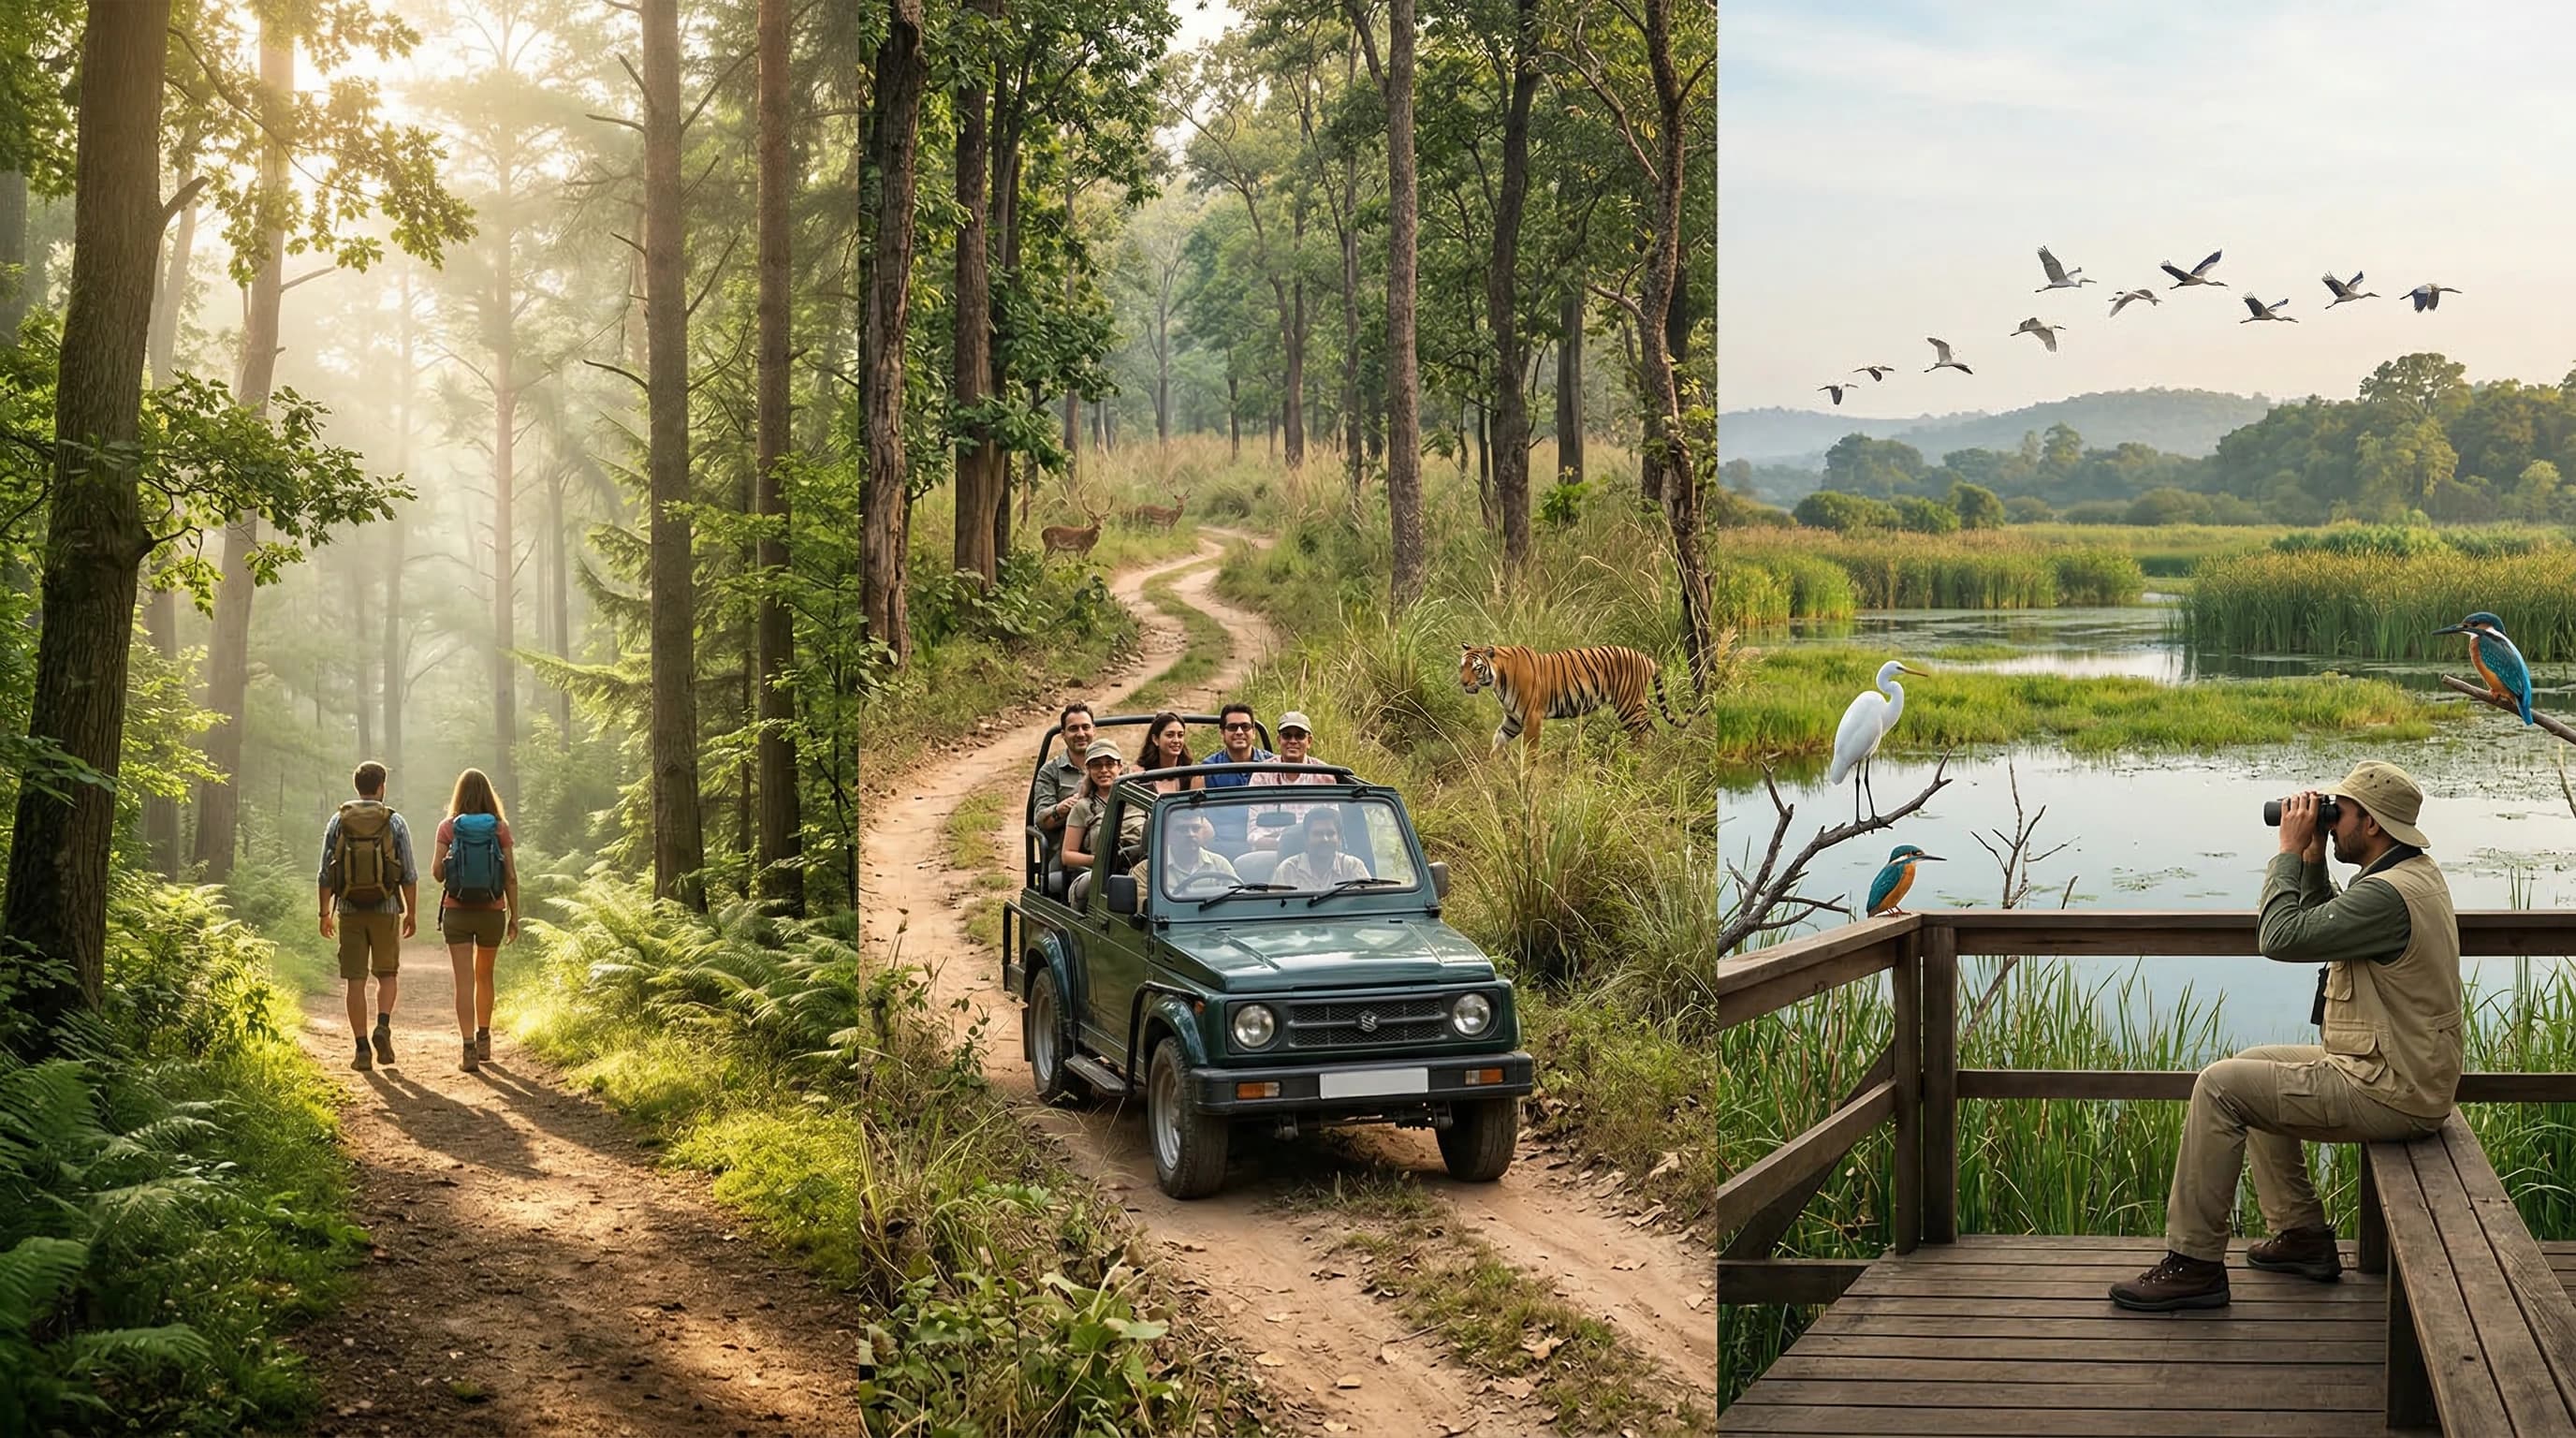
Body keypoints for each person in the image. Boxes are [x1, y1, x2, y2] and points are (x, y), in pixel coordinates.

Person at [2111, 762, 2457, 1313]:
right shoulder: (2408, 876)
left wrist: (2287, 853)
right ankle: (2301, 1235)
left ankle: (2194, 1264)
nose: (2328, 820)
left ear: (2370, 824)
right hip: (2399, 1072)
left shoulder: (2387, 895)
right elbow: (2326, 925)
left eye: (2337, 813)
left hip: (2389, 1088)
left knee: (2221, 1086)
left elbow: (2280, 936)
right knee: (2254, 1063)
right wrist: (2316, 859)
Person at [316, 761, 419, 1072]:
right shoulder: (395, 822)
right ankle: (382, 1027)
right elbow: (410, 873)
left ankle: (362, 1049)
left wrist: (325, 914)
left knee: (355, 981)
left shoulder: (339, 820)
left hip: (348, 910)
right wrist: (411, 912)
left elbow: (324, 874)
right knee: (387, 975)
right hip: (386, 908)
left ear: (357, 787)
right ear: (381, 787)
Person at [432, 768, 521, 1073]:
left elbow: (436, 873)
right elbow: (510, 876)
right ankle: (485, 1039)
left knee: (464, 981)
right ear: (488, 794)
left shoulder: (448, 827)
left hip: (456, 911)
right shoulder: (499, 827)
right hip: (492, 911)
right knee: (485, 976)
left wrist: (451, 862)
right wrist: (514, 917)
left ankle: (468, 1048)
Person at [1063, 741, 1146, 907]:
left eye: (1109, 764)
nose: (1103, 770)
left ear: (1120, 766)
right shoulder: (1083, 807)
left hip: (1140, 868)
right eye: (1096, 765)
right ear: (1089, 770)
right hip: (1100, 874)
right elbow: (1068, 855)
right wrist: (1100, 860)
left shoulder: (1140, 801)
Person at [1247, 711, 1338, 850]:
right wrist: (1284, 846)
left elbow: (1332, 826)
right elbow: (1254, 833)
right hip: (1270, 851)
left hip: (1314, 851)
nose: (1293, 741)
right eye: (1287, 735)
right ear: (1279, 740)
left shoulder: (1324, 775)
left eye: (1299, 736)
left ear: (1309, 741)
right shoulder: (1262, 775)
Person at [1198, 702, 1274, 852]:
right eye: (1232, 727)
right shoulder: (1207, 769)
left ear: (1253, 732)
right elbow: (1197, 818)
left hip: (1264, 843)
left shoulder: (1272, 765)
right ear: (1222, 733)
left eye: (1245, 727)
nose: (1239, 732)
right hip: (1222, 846)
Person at [1032, 703, 1096, 855]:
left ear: (1094, 730)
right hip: (1068, 850)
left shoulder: (1110, 766)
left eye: (1085, 727)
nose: (1081, 734)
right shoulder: (1050, 772)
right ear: (1063, 734)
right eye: (1073, 729)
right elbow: (1041, 820)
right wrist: (1065, 807)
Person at [1271, 806, 1374, 891]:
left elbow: (1367, 903)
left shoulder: (1353, 866)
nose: (1325, 839)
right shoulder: (1288, 870)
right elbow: (1275, 908)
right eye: (1318, 834)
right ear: (1306, 838)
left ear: (1339, 838)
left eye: (1330, 833)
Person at [1157, 813, 1238, 905]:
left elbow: (1239, 900)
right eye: (1182, 829)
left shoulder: (1220, 864)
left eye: (1196, 828)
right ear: (1168, 833)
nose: (1191, 834)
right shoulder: (1149, 869)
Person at [1134, 712, 1204, 795]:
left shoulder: (1192, 776)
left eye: (1180, 735)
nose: (1176, 740)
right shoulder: (1141, 776)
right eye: (1170, 735)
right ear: (1155, 739)